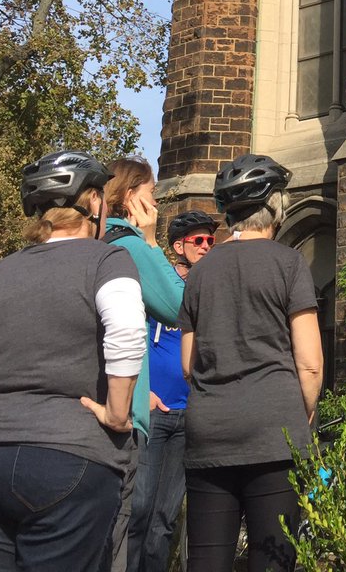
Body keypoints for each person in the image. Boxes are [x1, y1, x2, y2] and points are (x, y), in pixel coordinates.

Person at [0, 150, 145, 572]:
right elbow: (126, 330)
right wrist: (119, 414)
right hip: (68, 457)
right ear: (92, 201)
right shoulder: (108, 260)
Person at [179, 154, 323, 572]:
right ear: (276, 205)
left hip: (210, 430)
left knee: (206, 558)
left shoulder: (201, 272)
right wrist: (303, 413)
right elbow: (310, 362)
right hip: (273, 428)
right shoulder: (289, 263)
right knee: (272, 557)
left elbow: (188, 364)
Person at [104, 157, 186, 572]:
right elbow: (180, 306)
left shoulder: (96, 243)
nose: (156, 200)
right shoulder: (132, 247)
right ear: (130, 196)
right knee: (127, 526)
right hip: (126, 418)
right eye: (151, 192)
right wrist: (152, 241)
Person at [128, 211, 218, 572]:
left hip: (189, 413)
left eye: (211, 240)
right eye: (199, 240)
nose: (207, 246)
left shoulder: (209, 290)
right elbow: (130, 338)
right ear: (179, 246)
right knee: (139, 508)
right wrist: (142, 391)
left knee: (166, 517)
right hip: (153, 410)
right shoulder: (157, 287)